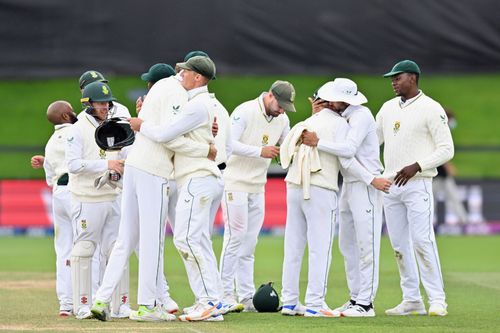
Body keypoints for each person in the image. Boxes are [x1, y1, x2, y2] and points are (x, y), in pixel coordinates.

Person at [90, 57, 215, 322]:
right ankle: (148, 306)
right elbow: (168, 136)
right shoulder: (176, 92)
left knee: (126, 240)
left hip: (135, 165)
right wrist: (205, 149)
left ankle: (101, 300)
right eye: (182, 71)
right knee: (151, 241)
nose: (183, 74)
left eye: (187, 71)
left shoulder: (156, 92)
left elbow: (160, 130)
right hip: (154, 170)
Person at [130, 55, 230, 322]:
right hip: (200, 178)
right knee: (198, 240)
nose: (179, 76)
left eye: (184, 72)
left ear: (198, 77)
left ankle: (209, 300)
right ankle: (212, 301)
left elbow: (164, 135)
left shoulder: (198, 105)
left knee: (187, 239)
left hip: (197, 177)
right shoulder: (198, 103)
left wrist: (141, 124)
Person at [279, 81, 374, 318]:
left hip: (293, 187)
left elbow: (284, 154)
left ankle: (289, 301)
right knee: (320, 248)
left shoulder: (306, 122)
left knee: (293, 246)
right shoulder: (341, 124)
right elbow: (348, 157)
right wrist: (372, 179)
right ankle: (315, 303)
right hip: (320, 188)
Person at [301, 78, 391, 317]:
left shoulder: (361, 116)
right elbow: (346, 158)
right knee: (347, 244)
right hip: (350, 184)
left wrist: (318, 142)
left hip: (367, 184)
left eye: (331, 99)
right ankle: (354, 298)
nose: (328, 102)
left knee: (367, 243)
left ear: (343, 99)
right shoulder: (341, 117)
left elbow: (349, 151)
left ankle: (366, 304)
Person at [376, 60, 454, 316]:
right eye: (392, 78)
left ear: (413, 77)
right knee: (399, 245)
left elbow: (446, 149)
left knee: (422, 240)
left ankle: (437, 300)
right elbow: (372, 142)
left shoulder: (431, 108)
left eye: (398, 77)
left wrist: (418, 165)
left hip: (417, 184)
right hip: (390, 186)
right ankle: (411, 299)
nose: (393, 82)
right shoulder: (387, 108)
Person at [218, 80, 294, 312]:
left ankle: (246, 295)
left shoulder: (282, 119)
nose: (282, 110)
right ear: (269, 95)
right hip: (234, 183)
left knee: (249, 243)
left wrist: (289, 152)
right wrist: (259, 151)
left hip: (258, 185)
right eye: (279, 104)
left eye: (285, 107)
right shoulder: (244, 111)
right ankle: (224, 294)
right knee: (235, 237)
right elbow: (227, 143)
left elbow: (288, 145)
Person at [65, 81, 129, 319]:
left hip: (112, 195)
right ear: (88, 104)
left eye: (107, 102)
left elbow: (121, 155)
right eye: (100, 103)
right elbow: (73, 165)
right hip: (86, 198)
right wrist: (106, 164)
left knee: (116, 249)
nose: (105, 106)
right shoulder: (76, 129)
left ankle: (120, 305)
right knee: (84, 249)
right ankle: (82, 306)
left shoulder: (112, 126)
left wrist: (119, 167)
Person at [30, 101, 78, 317]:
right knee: (87, 246)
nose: (76, 113)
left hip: (58, 193)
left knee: (63, 250)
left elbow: (50, 178)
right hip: (78, 192)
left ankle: (65, 303)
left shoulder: (50, 142)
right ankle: (87, 299)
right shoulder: (77, 132)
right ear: (66, 116)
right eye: (72, 110)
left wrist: (46, 161)